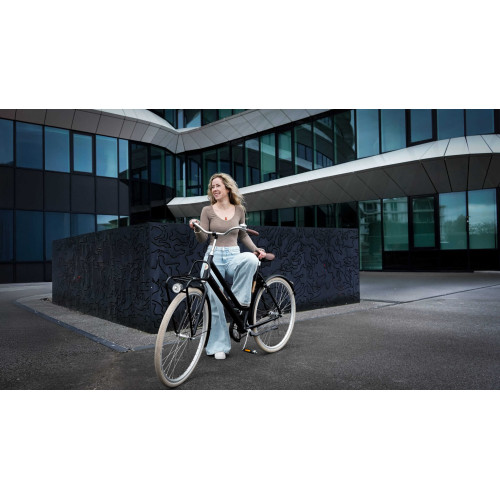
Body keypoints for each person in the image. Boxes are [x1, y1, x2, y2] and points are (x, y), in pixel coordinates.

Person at [189, 173, 266, 360]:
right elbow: (202, 238)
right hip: (213, 256)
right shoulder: (207, 210)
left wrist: (256, 249)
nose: (214, 189)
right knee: (215, 304)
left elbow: (243, 234)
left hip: (233, 255)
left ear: (227, 188)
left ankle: (239, 301)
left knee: (251, 260)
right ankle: (219, 346)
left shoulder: (239, 210)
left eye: (218, 185)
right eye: (212, 186)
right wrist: (197, 227)